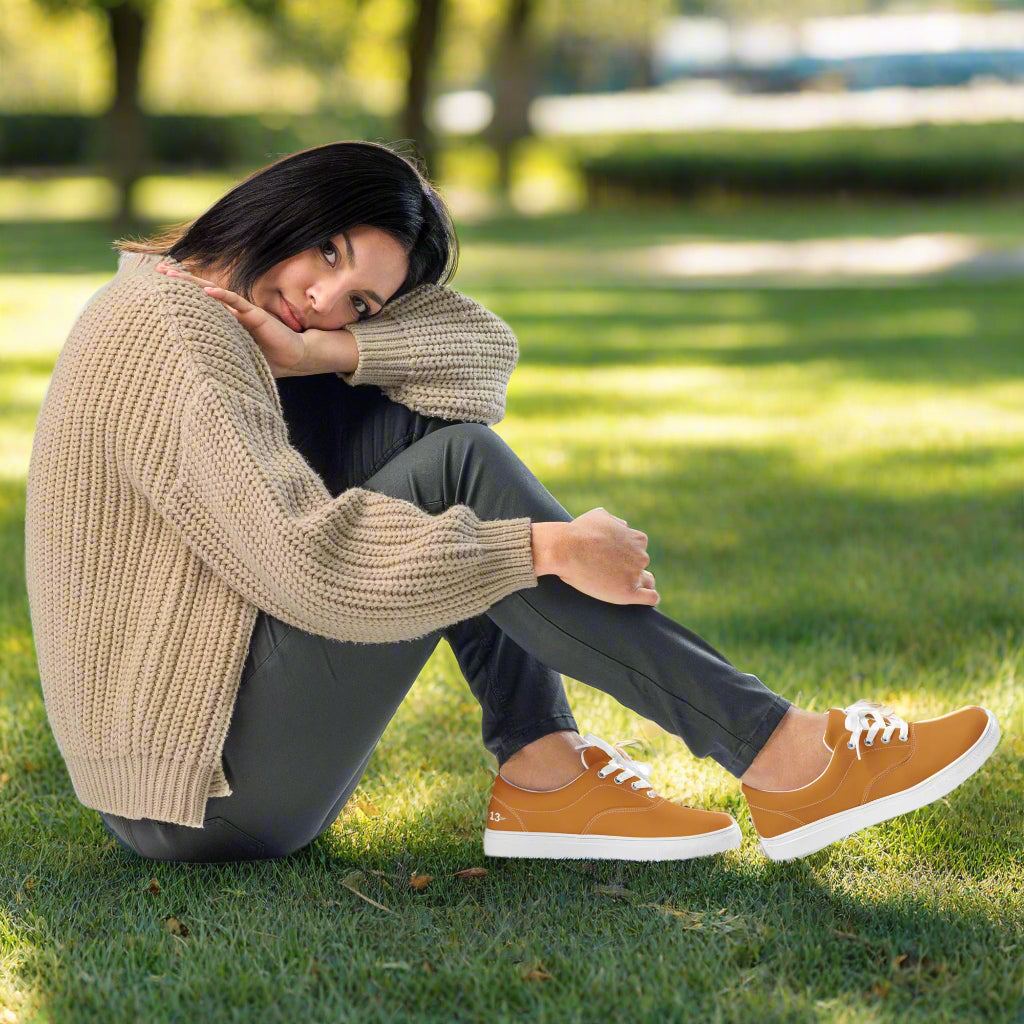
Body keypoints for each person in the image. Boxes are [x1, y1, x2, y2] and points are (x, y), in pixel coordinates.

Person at [23, 141, 1000, 866]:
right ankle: (782, 753)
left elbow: (481, 358)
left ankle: (545, 769)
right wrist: (538, 548)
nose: (324, 299)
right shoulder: (180, 341)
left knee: (451, 447)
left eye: (360, 299)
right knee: (463, 475)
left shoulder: (217, 314)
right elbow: (306, 566)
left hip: (211, 754)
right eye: (325, 254)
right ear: (279, 203)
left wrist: (338, 353)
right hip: (198, 791)